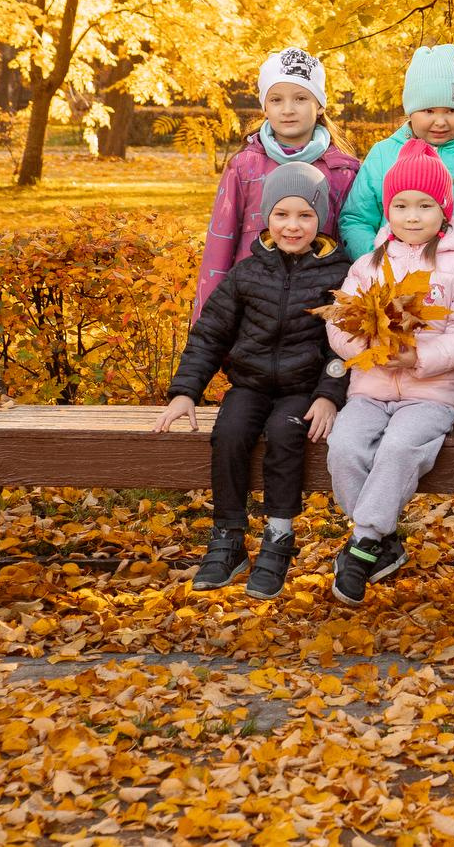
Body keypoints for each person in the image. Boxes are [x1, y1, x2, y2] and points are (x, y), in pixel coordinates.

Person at [157, 163, 351, 599]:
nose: (292, 226)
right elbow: (211, 334)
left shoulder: (339, 274)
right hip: (251, 383)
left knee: (285, 433)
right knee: (228, 432)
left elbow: (347, 347)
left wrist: (328, 396)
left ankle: (279, 537)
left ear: (321, 218)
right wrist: (185, 392)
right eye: (281, 215)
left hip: (302, 389)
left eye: (304, 215)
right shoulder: (248, 272)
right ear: (266, 217)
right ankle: (228, 536)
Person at [324, 140, 454, 606]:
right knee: (345, 446)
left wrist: (418, 358)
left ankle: (362, 546)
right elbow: (340, 322)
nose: (412, 216)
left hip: (431, 394)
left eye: (425, 205)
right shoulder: (367, 265)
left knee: (398, 448)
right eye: (401, 205)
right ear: (387, 210)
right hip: (370, 388)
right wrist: (368, 349)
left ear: (444, 212)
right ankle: (381, 541)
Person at [341, 44, 454, 282]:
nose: (440, 121)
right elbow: (357, 218)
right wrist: (376, 263)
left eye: (451, 110)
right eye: (429, 111)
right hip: (395, 282)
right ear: (411, 110)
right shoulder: (384, 155)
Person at [194, 47, 359, 318]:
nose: (288, 110)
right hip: (251, 311)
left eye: (301, 98)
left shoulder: (341, 171)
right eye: (276, 100)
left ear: (319, 105)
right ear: (264, 106)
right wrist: (207, 323)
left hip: (315, 315)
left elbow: (348, 249)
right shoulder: (245, 166)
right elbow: (219, 246)